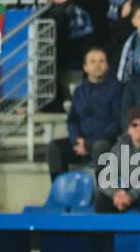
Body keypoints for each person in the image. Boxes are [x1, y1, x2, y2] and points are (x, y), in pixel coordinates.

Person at [48, 47, 121, 178]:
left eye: (101, 61)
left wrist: (89, 143)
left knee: (100, 147)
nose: (97, 65)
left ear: (107, 65)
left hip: (105, 142)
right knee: (55, 148)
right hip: (82, 143)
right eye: (93, 62)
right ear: (85, 67)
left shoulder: (117, 89)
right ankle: (61, 193)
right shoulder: (79, 91)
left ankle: (103, 195)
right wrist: (76, 140)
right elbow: (72, 120)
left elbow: (116, 124)